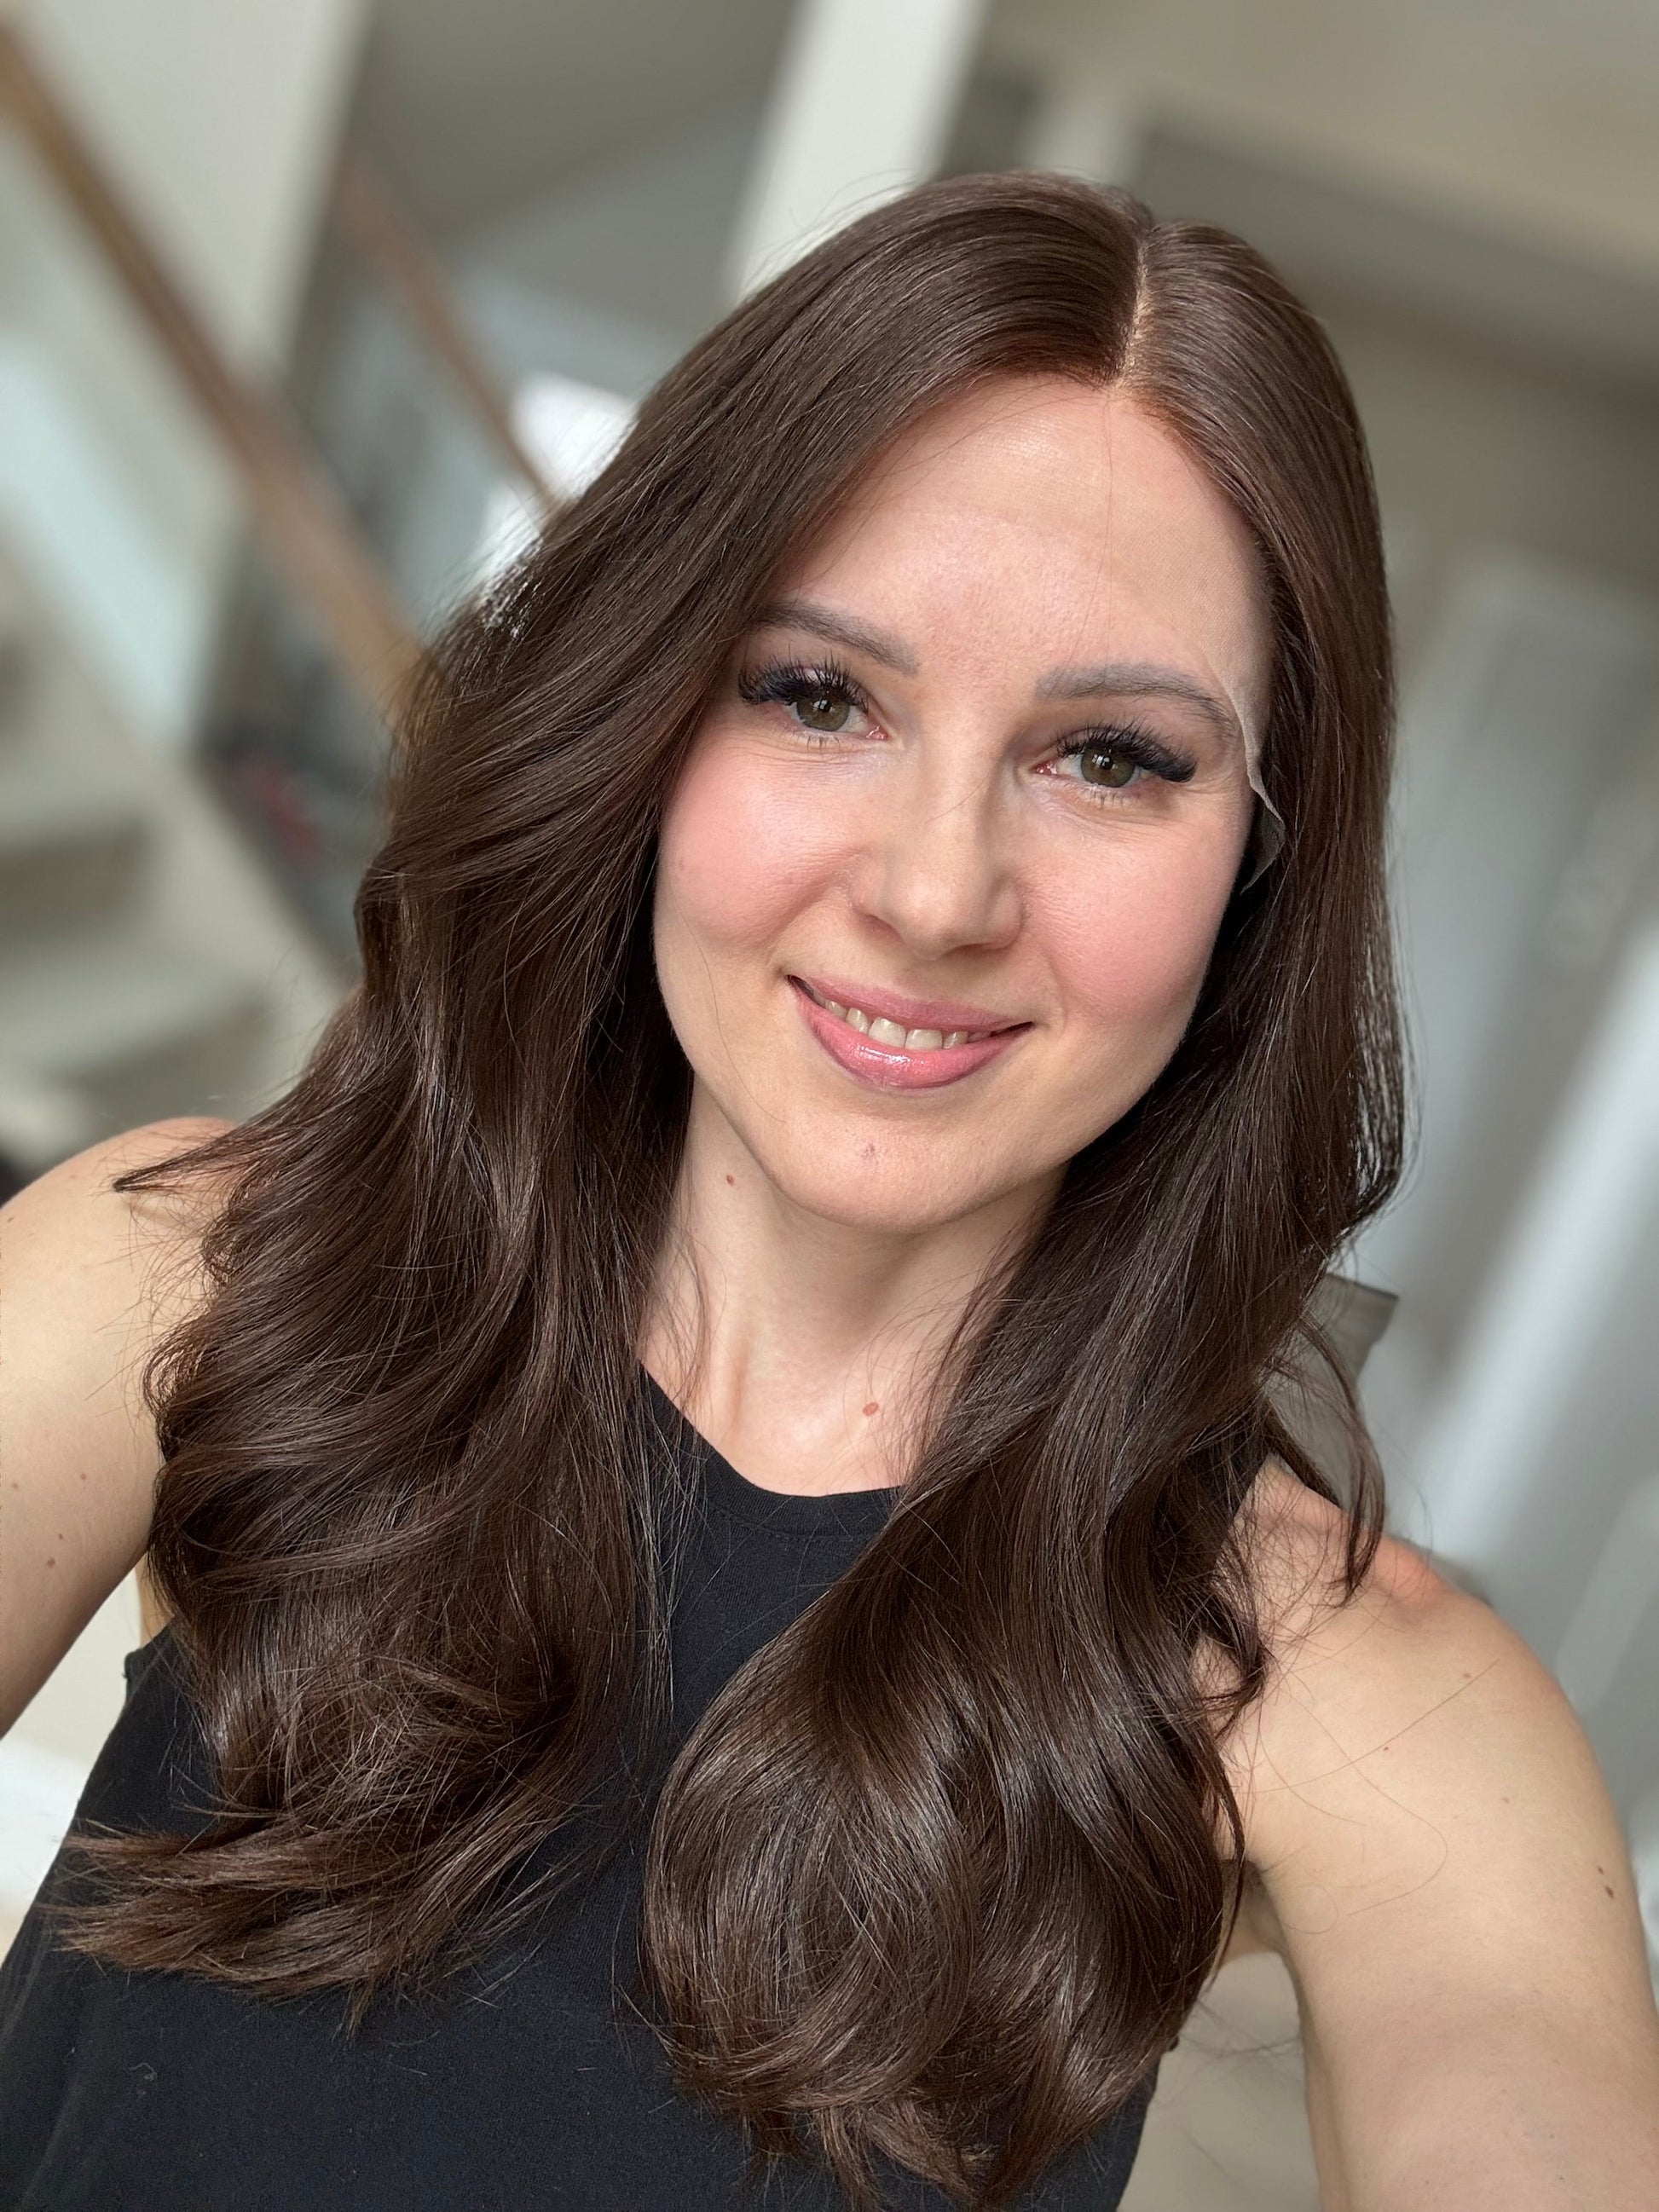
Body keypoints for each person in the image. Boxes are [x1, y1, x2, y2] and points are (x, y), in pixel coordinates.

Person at [2, 171, 1656, 2212]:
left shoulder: (1343, 1679)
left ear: (1261, 857)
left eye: (1111, 755)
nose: (936, 891)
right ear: (645, 716)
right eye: (818, 694)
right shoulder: (192, 1281)